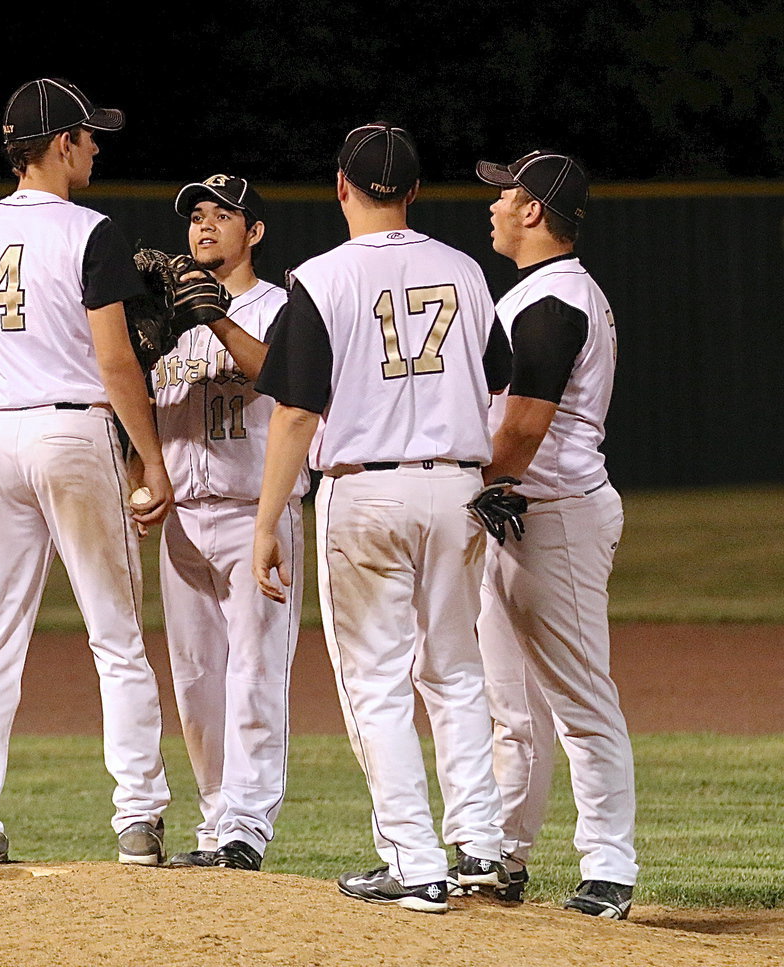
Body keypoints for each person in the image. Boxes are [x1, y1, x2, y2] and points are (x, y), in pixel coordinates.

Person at [251, 123, 513, 913]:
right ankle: (482, 848)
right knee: (457, 671)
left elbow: (297, 414)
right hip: (458, 487)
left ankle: (414, 859)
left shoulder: (322, 279)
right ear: (416, 193)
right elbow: (498, 377)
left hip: (366, 490)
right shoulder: (465, 270)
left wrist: (267, 522)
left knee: (375, 680)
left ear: (340, 186)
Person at [0, 78, 174, 877]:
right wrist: (152, 454)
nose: (97, 147)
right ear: (61, 145)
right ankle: (138, 816)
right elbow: (114, 361)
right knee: (115, 633)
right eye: (88, 136)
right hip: (74, 430)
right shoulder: (91, 231)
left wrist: (17, 361)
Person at [474, 150, 636, 919]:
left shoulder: (552, 300)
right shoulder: (545, 293)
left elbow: (526, 425)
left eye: (506, 193)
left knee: (578, 698)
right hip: (523, 511)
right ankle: (505, 853)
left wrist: (478, 485)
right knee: (513, 707)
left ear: (535, 210)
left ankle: (609, 864)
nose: (496, 204)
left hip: (555, 513)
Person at [152, 175, 307, 872]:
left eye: (224, 214)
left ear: (257, 232)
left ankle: (247, 824)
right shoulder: (166, 311)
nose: (206, 225)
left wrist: (215, 318)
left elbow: (285, 378)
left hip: (257, 515)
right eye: (197, 216)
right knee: (194, 680)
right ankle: (216, 819)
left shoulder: (283, 306)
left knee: (254, 673)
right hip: (184, 517)